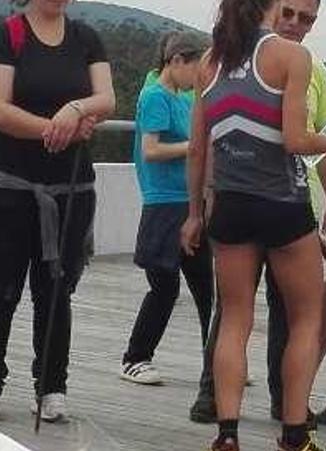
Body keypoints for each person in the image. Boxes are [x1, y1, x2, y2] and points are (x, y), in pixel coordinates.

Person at [184, 0, 326, 451]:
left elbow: (199, 148)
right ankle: (295, 441)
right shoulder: (289, 57)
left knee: (235, 319)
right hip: (282, 204)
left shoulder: (209, 62)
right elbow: (296, 142)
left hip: (231, 208)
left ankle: (225, 440)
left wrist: (194, 213)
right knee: (306, 318)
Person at [0, 0, 115, 424]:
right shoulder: (6, 35)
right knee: (1, 287)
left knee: (56, 290)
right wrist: (58, 129)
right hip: (10, 185)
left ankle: (52, 386)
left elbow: (106, 98)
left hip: (70, 185)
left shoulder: (86, 37)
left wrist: (76, 109)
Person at [118, 32, 212, 386]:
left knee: (207, 291)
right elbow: (151, 150)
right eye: (195, 69)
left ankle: (216, 359)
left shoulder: (185, 97)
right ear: (176, 62)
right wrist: (193, 147)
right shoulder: (155, 96)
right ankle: (136, 357)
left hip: (189, 200)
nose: (197, 78)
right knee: (164, 287)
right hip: (163, 203)